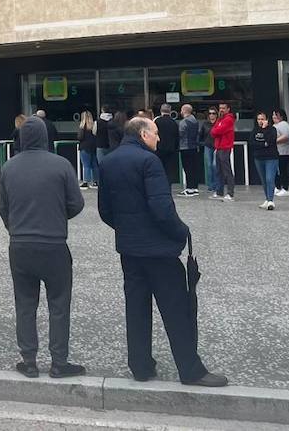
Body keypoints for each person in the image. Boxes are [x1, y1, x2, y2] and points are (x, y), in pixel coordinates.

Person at [98, 117, 227, 387]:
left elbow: (105, 210)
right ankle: (190, 369)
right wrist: (181, 231)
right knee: (176, 310)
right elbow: (162, 208)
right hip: (159, 250)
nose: (159, 138)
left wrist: (127, 228)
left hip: (129, 249)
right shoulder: (149, 161)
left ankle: (140, 366)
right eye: (155, 133)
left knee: (136, 308)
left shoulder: (109, 161)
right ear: (144, 134)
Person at [0, 116, 85, 379]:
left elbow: (4, 209)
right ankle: (59, 362)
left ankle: (29, 360)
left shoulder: (9, 167)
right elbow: (77, 203)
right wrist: (57, 216)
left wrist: (16, 226)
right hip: (54, 244)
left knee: (25, 304)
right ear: (46, 137)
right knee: (59, 304)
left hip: (20, 245)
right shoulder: (61, 165)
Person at [252, 112, 279, 211]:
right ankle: (267, 199)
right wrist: (264, 144)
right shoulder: (255, 130)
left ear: (267, 120)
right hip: (259, 158)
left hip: (271, 157)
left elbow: (271, 141)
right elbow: (252, 142)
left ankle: (271, 200)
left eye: (262, 119)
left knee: (269, 178)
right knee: (263, 180)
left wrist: (264, 130)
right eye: (259, 119)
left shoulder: (272, 130)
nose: (260, 121)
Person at [210, 103, 236, 201]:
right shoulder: (221, 119)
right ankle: (219, 191)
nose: (221, 110)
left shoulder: (228, 119)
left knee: (226, 170)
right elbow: (214, 130)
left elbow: (216, 131)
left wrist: (215, 129)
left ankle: (230, 193)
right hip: (219, 147)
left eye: (223, 108)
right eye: (220, 108)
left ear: (228, 109)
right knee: (219, 170)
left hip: (225, 147)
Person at [177, 105, 201, 197]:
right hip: (194, 147)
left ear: (183, 111)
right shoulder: (195, 121)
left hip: (185, 147)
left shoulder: (183, 122)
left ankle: (189, 188)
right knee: (193, 168)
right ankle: (194, 187)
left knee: (187, 168)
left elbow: (180, 134)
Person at [154, 105, 180, 186]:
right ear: (170, 111)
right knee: (169, 170)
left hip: (159, 149)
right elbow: (177, 137)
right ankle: (168, 185)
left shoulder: (157, 121)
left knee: (159, 169)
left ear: (161, 111)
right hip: (171, 150)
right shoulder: (174, 123)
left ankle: (160, 185)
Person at [272, 109, 289, 197]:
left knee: (282, 170)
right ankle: (277, 186)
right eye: (273, 115)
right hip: (276, 152)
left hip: (284, 152)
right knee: (276, 170)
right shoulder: (274, 125)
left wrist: (274, 141)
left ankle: (285, 188)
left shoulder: (284, 124)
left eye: (276, 114)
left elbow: (286, 136)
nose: (274, 116)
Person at [77, 111, 100, 190]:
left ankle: (86, 182)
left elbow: (79, 137)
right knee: (94, 164)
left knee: (86, 165)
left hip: (84, 146)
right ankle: (96, 182)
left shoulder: (82, 126)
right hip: (93, 146)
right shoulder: (94, 125)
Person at [199, 109, 217, 194]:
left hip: (217, 146)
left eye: (213, 113)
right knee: (209, 166)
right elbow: (201, 134)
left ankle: (217, 185)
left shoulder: (218, 123)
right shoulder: (205, 124)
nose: (212, 115)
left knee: (215, 165)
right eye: (210, 113)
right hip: (208, 146)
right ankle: (210, 186)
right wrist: (202, 142)